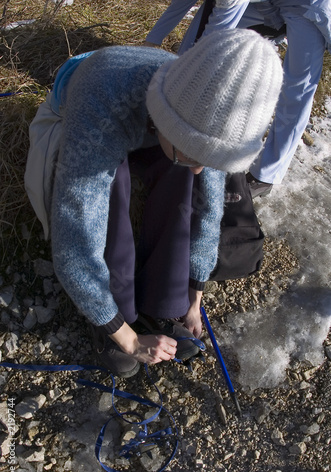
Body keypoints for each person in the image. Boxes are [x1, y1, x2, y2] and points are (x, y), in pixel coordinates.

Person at [25, 29, 283, 378]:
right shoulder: (101, 111)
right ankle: (118, 313)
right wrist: (127, 337)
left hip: (155, 120)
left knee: (185, 173)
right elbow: (75, 242)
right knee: (112, 184)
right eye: (194, 154)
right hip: (87, 103)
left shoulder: (203, 108)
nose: (199, 167)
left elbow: (207, 209)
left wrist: (194, 295)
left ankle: (165, 301)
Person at [145, 1, 331, 197]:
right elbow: (208, 37)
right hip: (265, 3)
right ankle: (171, 122)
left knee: (298, 88)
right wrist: (154, 42)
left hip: (309, 8)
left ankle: (266, 175)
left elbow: (213, 38)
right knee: (206, 36)